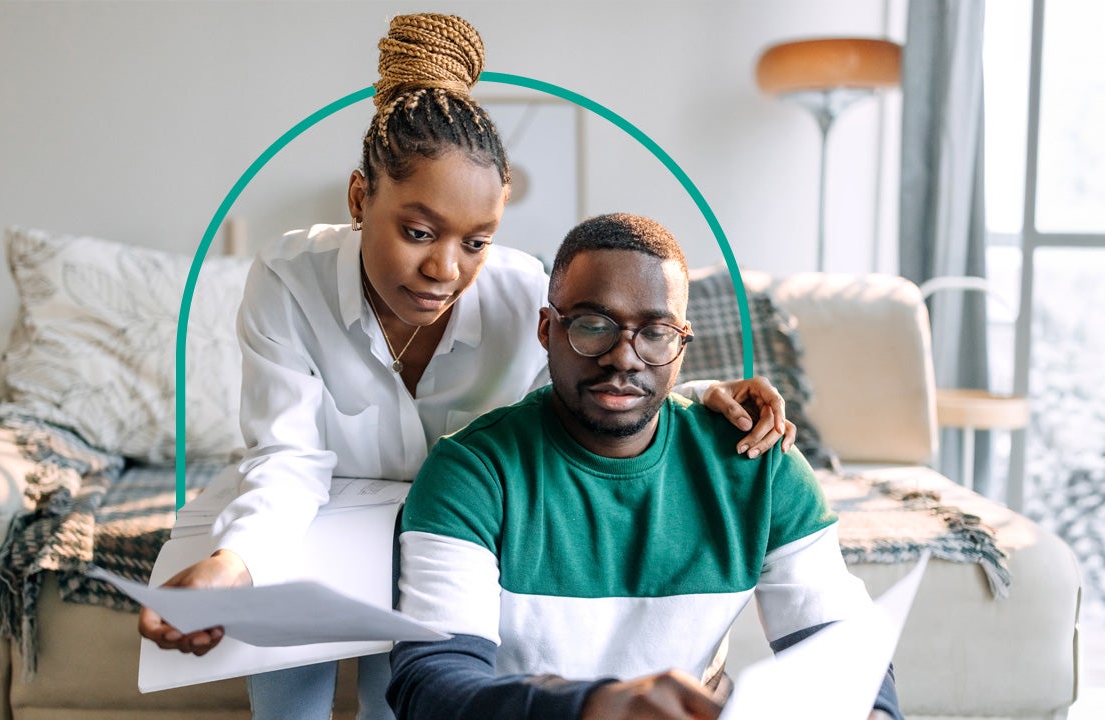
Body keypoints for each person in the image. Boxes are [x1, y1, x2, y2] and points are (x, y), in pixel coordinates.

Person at [138, 15, 797, 720]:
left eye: (476, 240)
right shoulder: (289, 277)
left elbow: (587, 399)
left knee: (407, 700)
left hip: (451, 531)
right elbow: (287, 459)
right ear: (361, 199)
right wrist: (237, 561)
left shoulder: (519, 295)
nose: (445, 270)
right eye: (417, 232)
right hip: (309, 522)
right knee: (286, 697)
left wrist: (699, 399)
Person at [386, 213, 903, 720]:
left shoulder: (759, 464)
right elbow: (431, 686)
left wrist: (873, 712)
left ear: (682, 344)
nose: (624, 357)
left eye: (655, 332)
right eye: (593, 325)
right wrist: (594, 707)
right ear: (547, 329)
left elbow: (842, 646)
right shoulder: (471, 471)